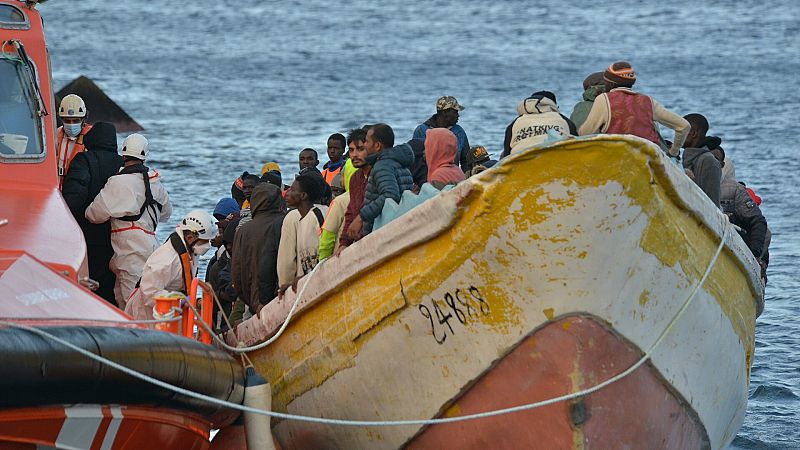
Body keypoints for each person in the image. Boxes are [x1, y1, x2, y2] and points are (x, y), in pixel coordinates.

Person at [85, 133, 172, 308]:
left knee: (130, 305)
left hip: (129, 251)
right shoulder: (156, 183)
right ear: (144, 155)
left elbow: (93, 215)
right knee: (144, 298)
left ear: (123, 154)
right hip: (152, 246)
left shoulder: (119, 182)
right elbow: (166, 214)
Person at [61, 122, 123, 304]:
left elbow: (74, 197)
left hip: (89, 235)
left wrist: (63, 221)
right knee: (113, 287)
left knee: (91, 285)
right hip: (117, 237)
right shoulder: (122, 163)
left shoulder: (84, 160)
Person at [578, 61, 690, 158]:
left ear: (611, 83)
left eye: (606, 81)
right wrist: (674, 152)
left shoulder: (603, 99)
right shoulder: (648, 101)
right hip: (650, 160)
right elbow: (684, 126)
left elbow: (585, 133)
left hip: (618, 159)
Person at [125, 210, 217, 320]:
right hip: (147, 312)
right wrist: (183, 301)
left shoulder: (191, 249)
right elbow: (149, 293)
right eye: (204, 242)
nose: (207, 246)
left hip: (170, 310)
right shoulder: (167, 259)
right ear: (190, 238)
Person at [231, 183, 286, 315]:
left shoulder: (244, 231)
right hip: (285, 297)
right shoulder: (286, 222)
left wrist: (251, 302)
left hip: (255, 302)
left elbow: (237, 273)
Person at [355, 124, 414, 237]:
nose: (364, 145)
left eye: (367, 141)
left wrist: (361, 217)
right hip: (400, 227)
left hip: (384, 233)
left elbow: (390, 195)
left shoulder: (382, 166)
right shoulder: (399, 162)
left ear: (377, 146)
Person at [277, 173, 328, 293]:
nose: (287, 193)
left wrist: (300, 279)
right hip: (306, 285)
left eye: (293, 190)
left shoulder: (315, 217)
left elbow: (318, 257)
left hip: (318, 285)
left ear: (303, 195)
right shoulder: (301, 220)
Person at [719, 158, 768, 282]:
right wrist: (757, 256)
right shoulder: (738, 189)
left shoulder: (734, 190)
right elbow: (759, 222)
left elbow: (758, 222)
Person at [502, 91, 575, 158]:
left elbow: (506, 155)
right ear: (555, 106)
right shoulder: (563, 120)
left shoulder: (515, 123)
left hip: (522, 163)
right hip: (558, 160)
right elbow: (576, 145)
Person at [413, 96, 470, 171]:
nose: (458, 115)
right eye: (455, 112)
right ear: (444, 112)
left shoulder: (459, 132)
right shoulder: (421, 131)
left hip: (454, 179)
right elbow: (416, 162)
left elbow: (466, 161)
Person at [681, 113, 723, 206]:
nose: (677, 135)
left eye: (681, 131)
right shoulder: (685, 159)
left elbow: (712, 203)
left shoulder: (709, 161)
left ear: (694, 134)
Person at [56, 94, 93, 188]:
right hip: (57, 191)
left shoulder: (92, 138)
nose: (71, 125)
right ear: (62, 120)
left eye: (75, 121)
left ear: (83, 120)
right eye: (67, 121)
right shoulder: (55, 135)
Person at [318, 168, 355, 261]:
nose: (341, 180)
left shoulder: (340, 201)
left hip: (339, 257)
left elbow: (328, 235)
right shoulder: (368, 195)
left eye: (343, 176)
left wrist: (322, 261)